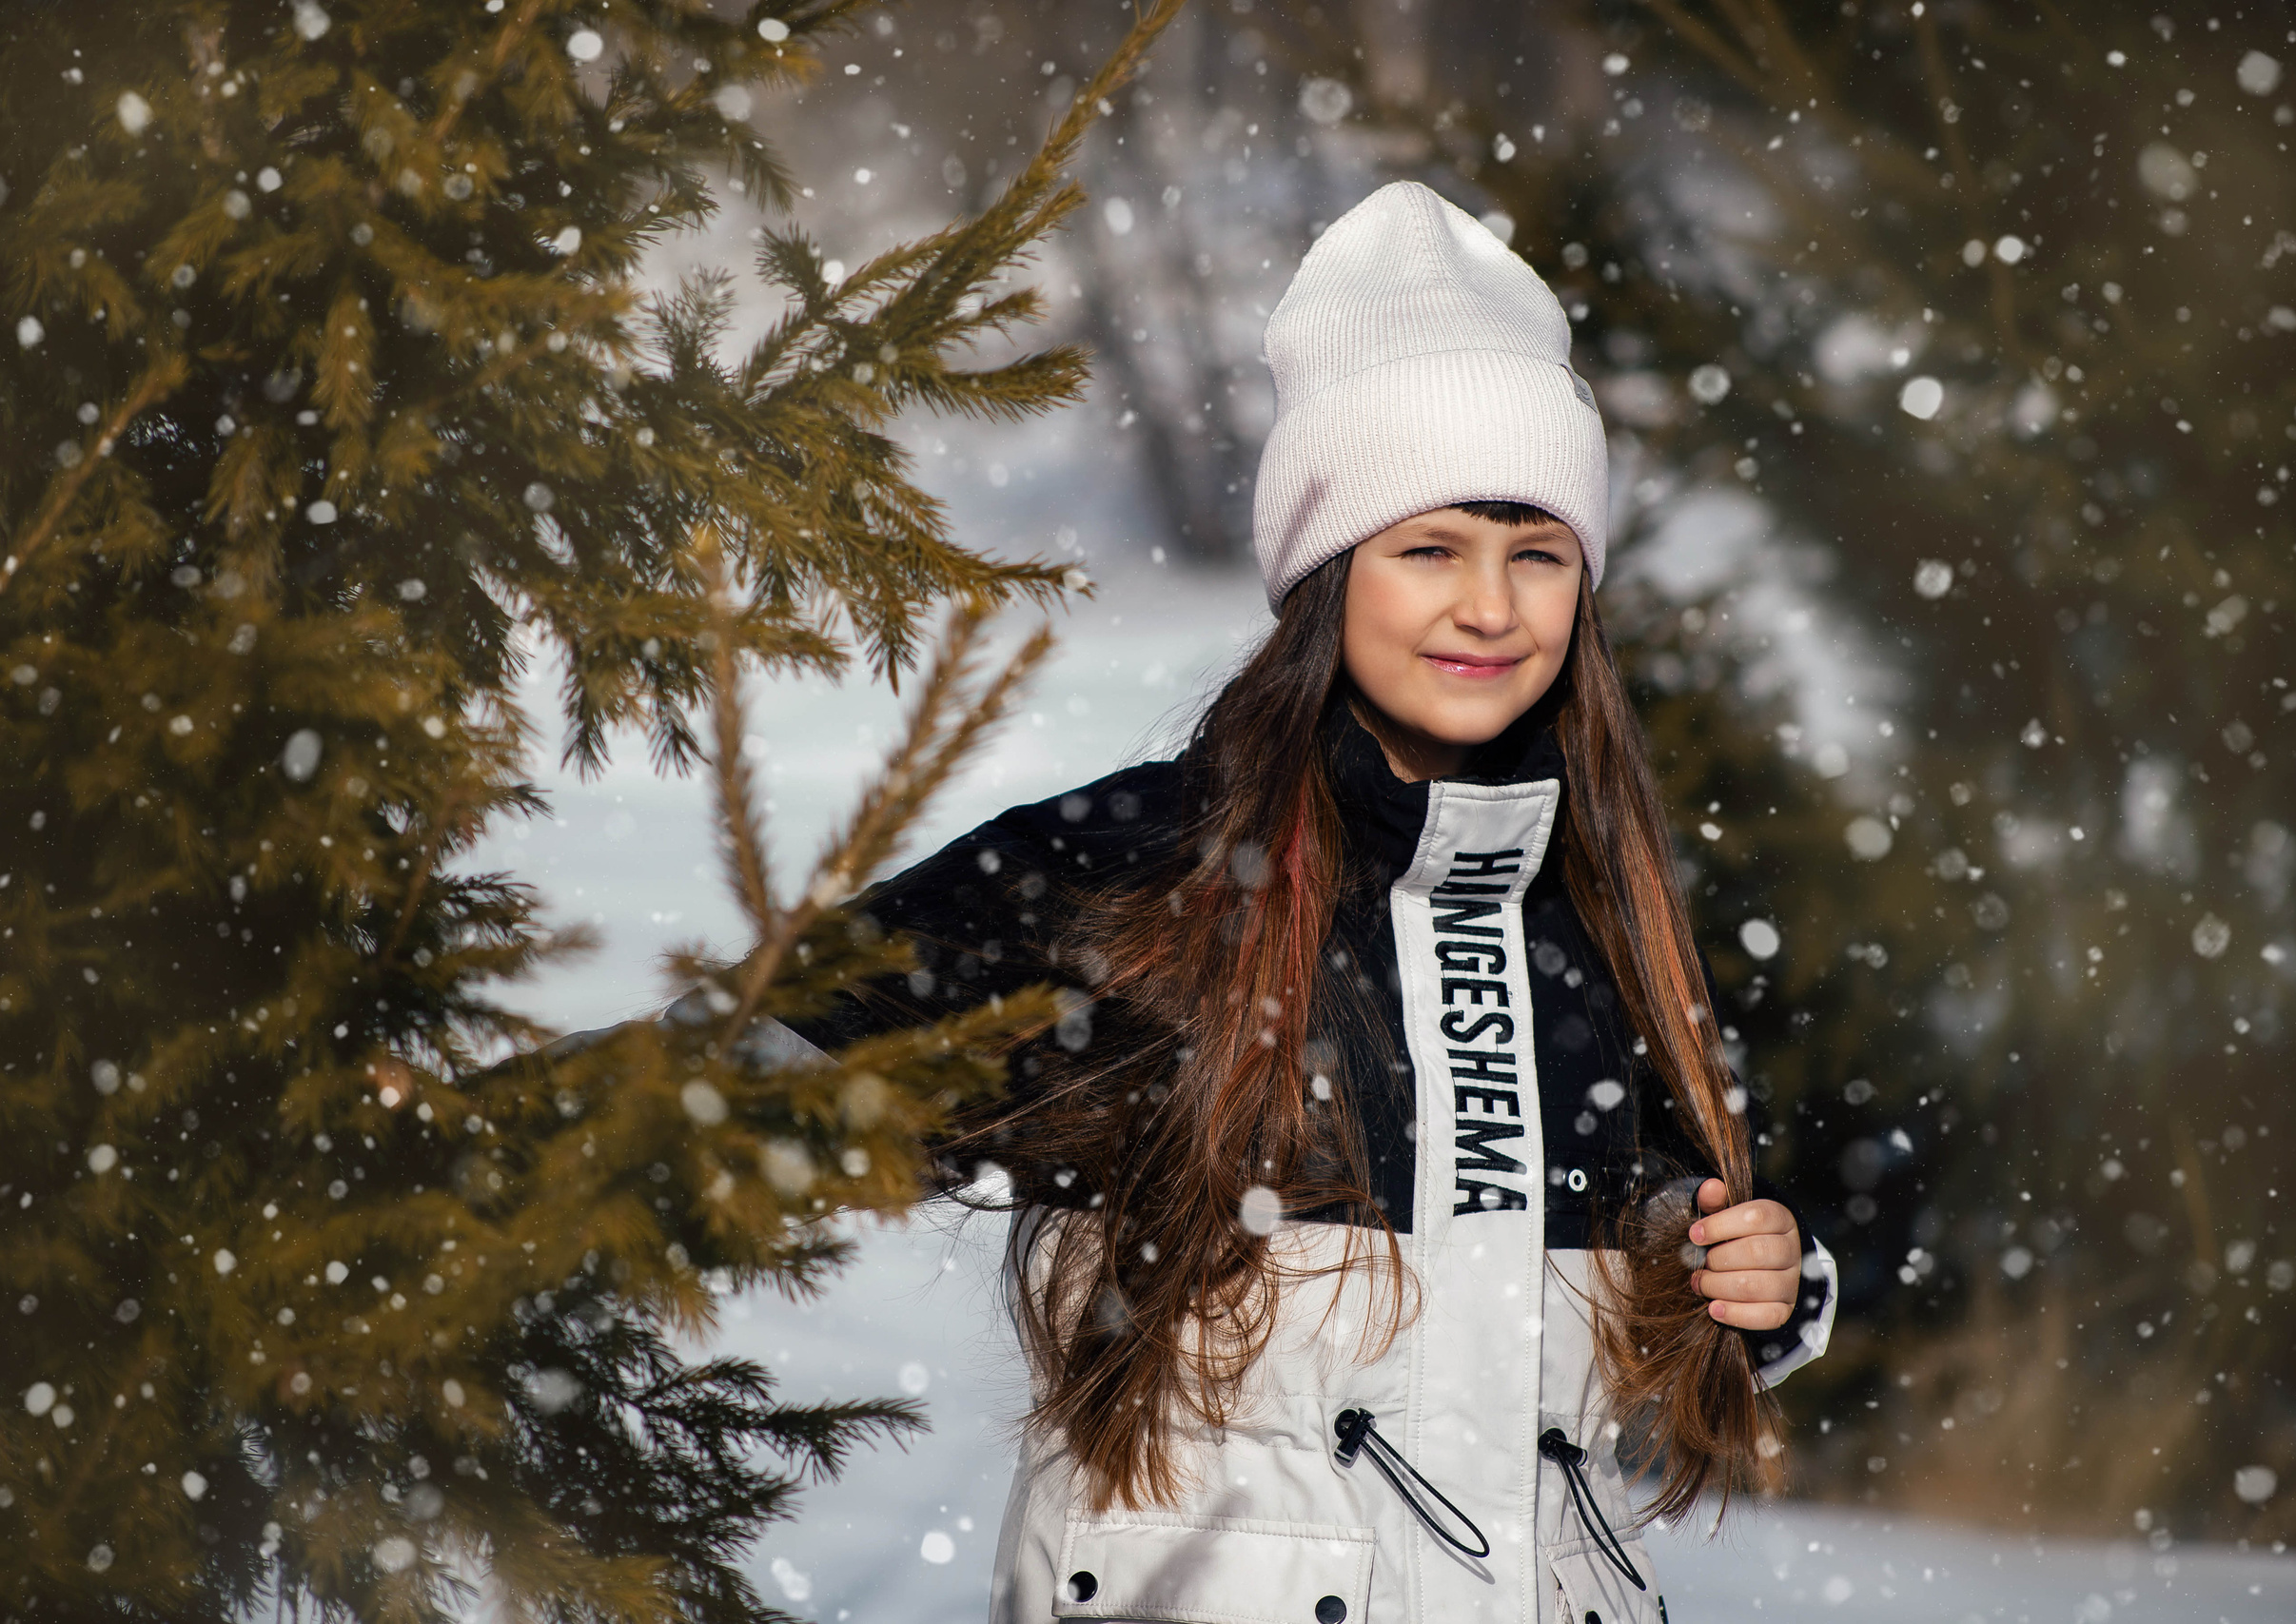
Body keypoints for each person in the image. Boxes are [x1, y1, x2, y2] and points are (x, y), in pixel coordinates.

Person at [767, 183, 1836, 1623]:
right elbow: (746, 1076)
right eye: (1430, 548)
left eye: (1537, 554)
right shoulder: (1141, 865)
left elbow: (1647, 1213)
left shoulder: (1594, 906)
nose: (1491, 606)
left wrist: (1733, 1271)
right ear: (1329, 576)